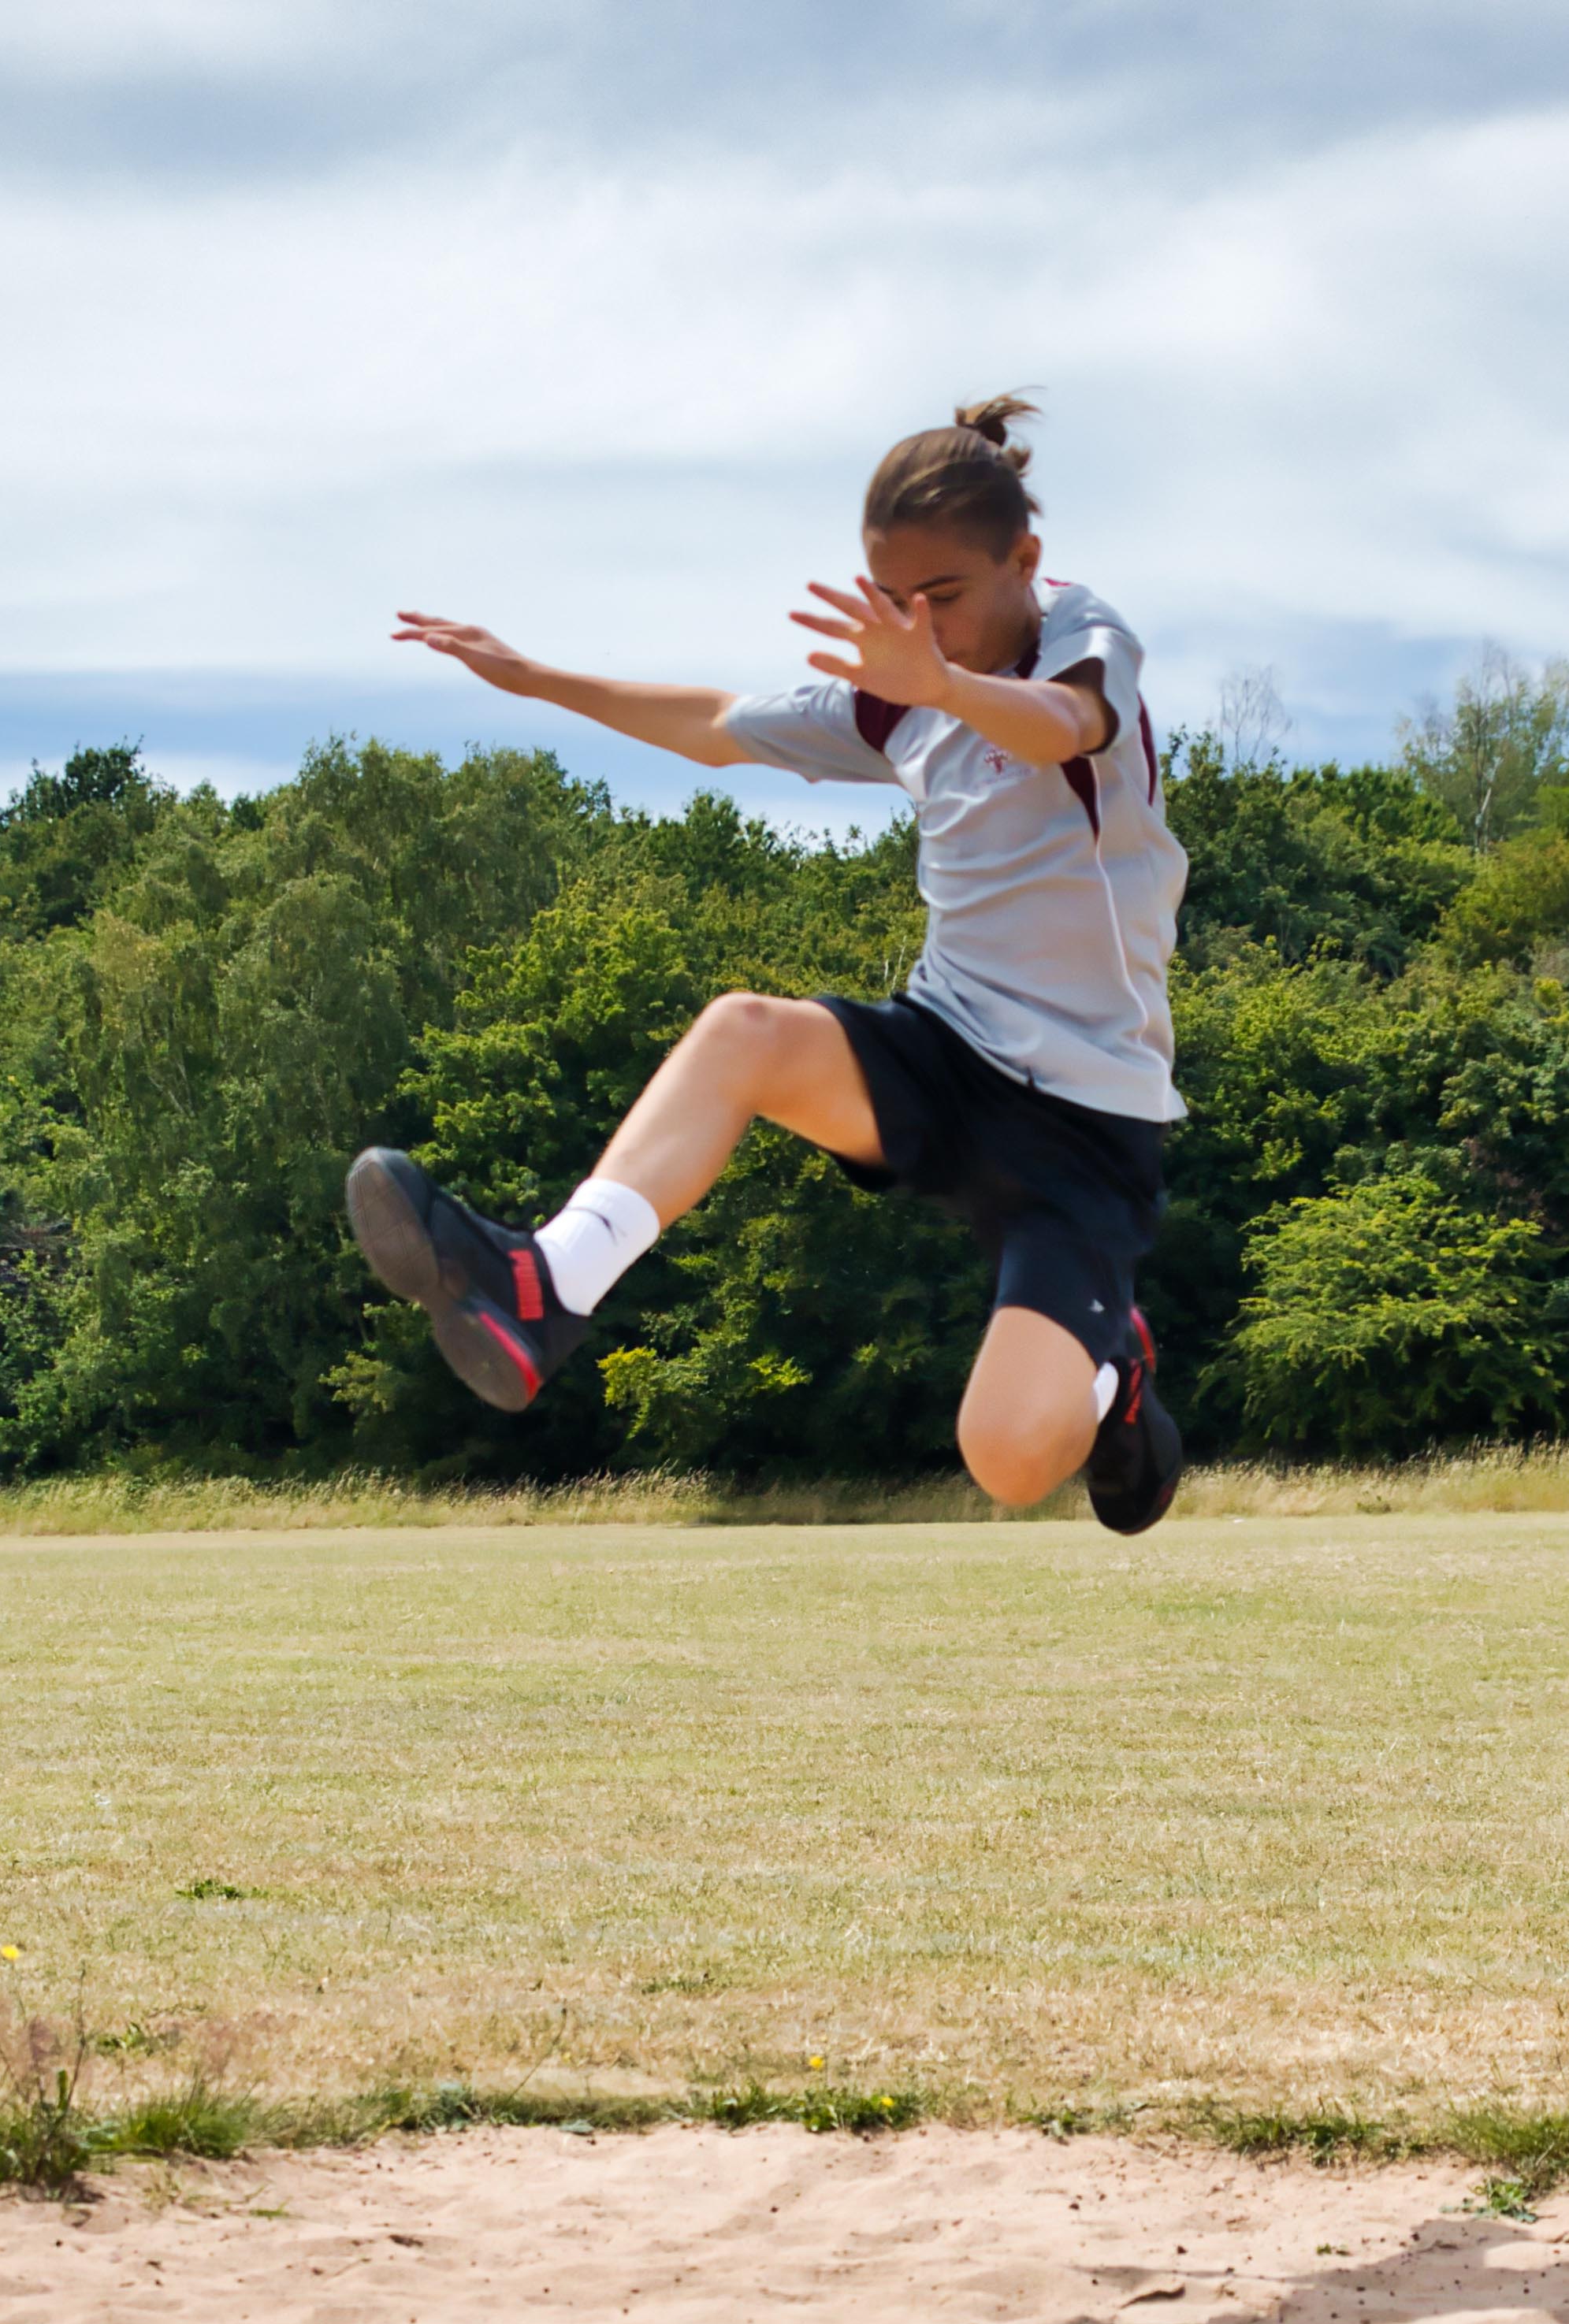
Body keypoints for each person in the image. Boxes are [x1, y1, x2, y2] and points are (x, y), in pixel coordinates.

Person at [357, 394, 1189, 1533]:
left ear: (1024, 561)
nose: (919, 628)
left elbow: (1060, 724)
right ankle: (544, 1287)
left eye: (943, 596)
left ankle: (1115, 1380)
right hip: (944, 1057)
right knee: (742, 1032)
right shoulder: (899, 701)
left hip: (1089, 1121)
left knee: (1002, 1459)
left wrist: (940, 683)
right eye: (895, 603)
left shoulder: (1080, 637)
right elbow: (717, 722)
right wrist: (538, 678)